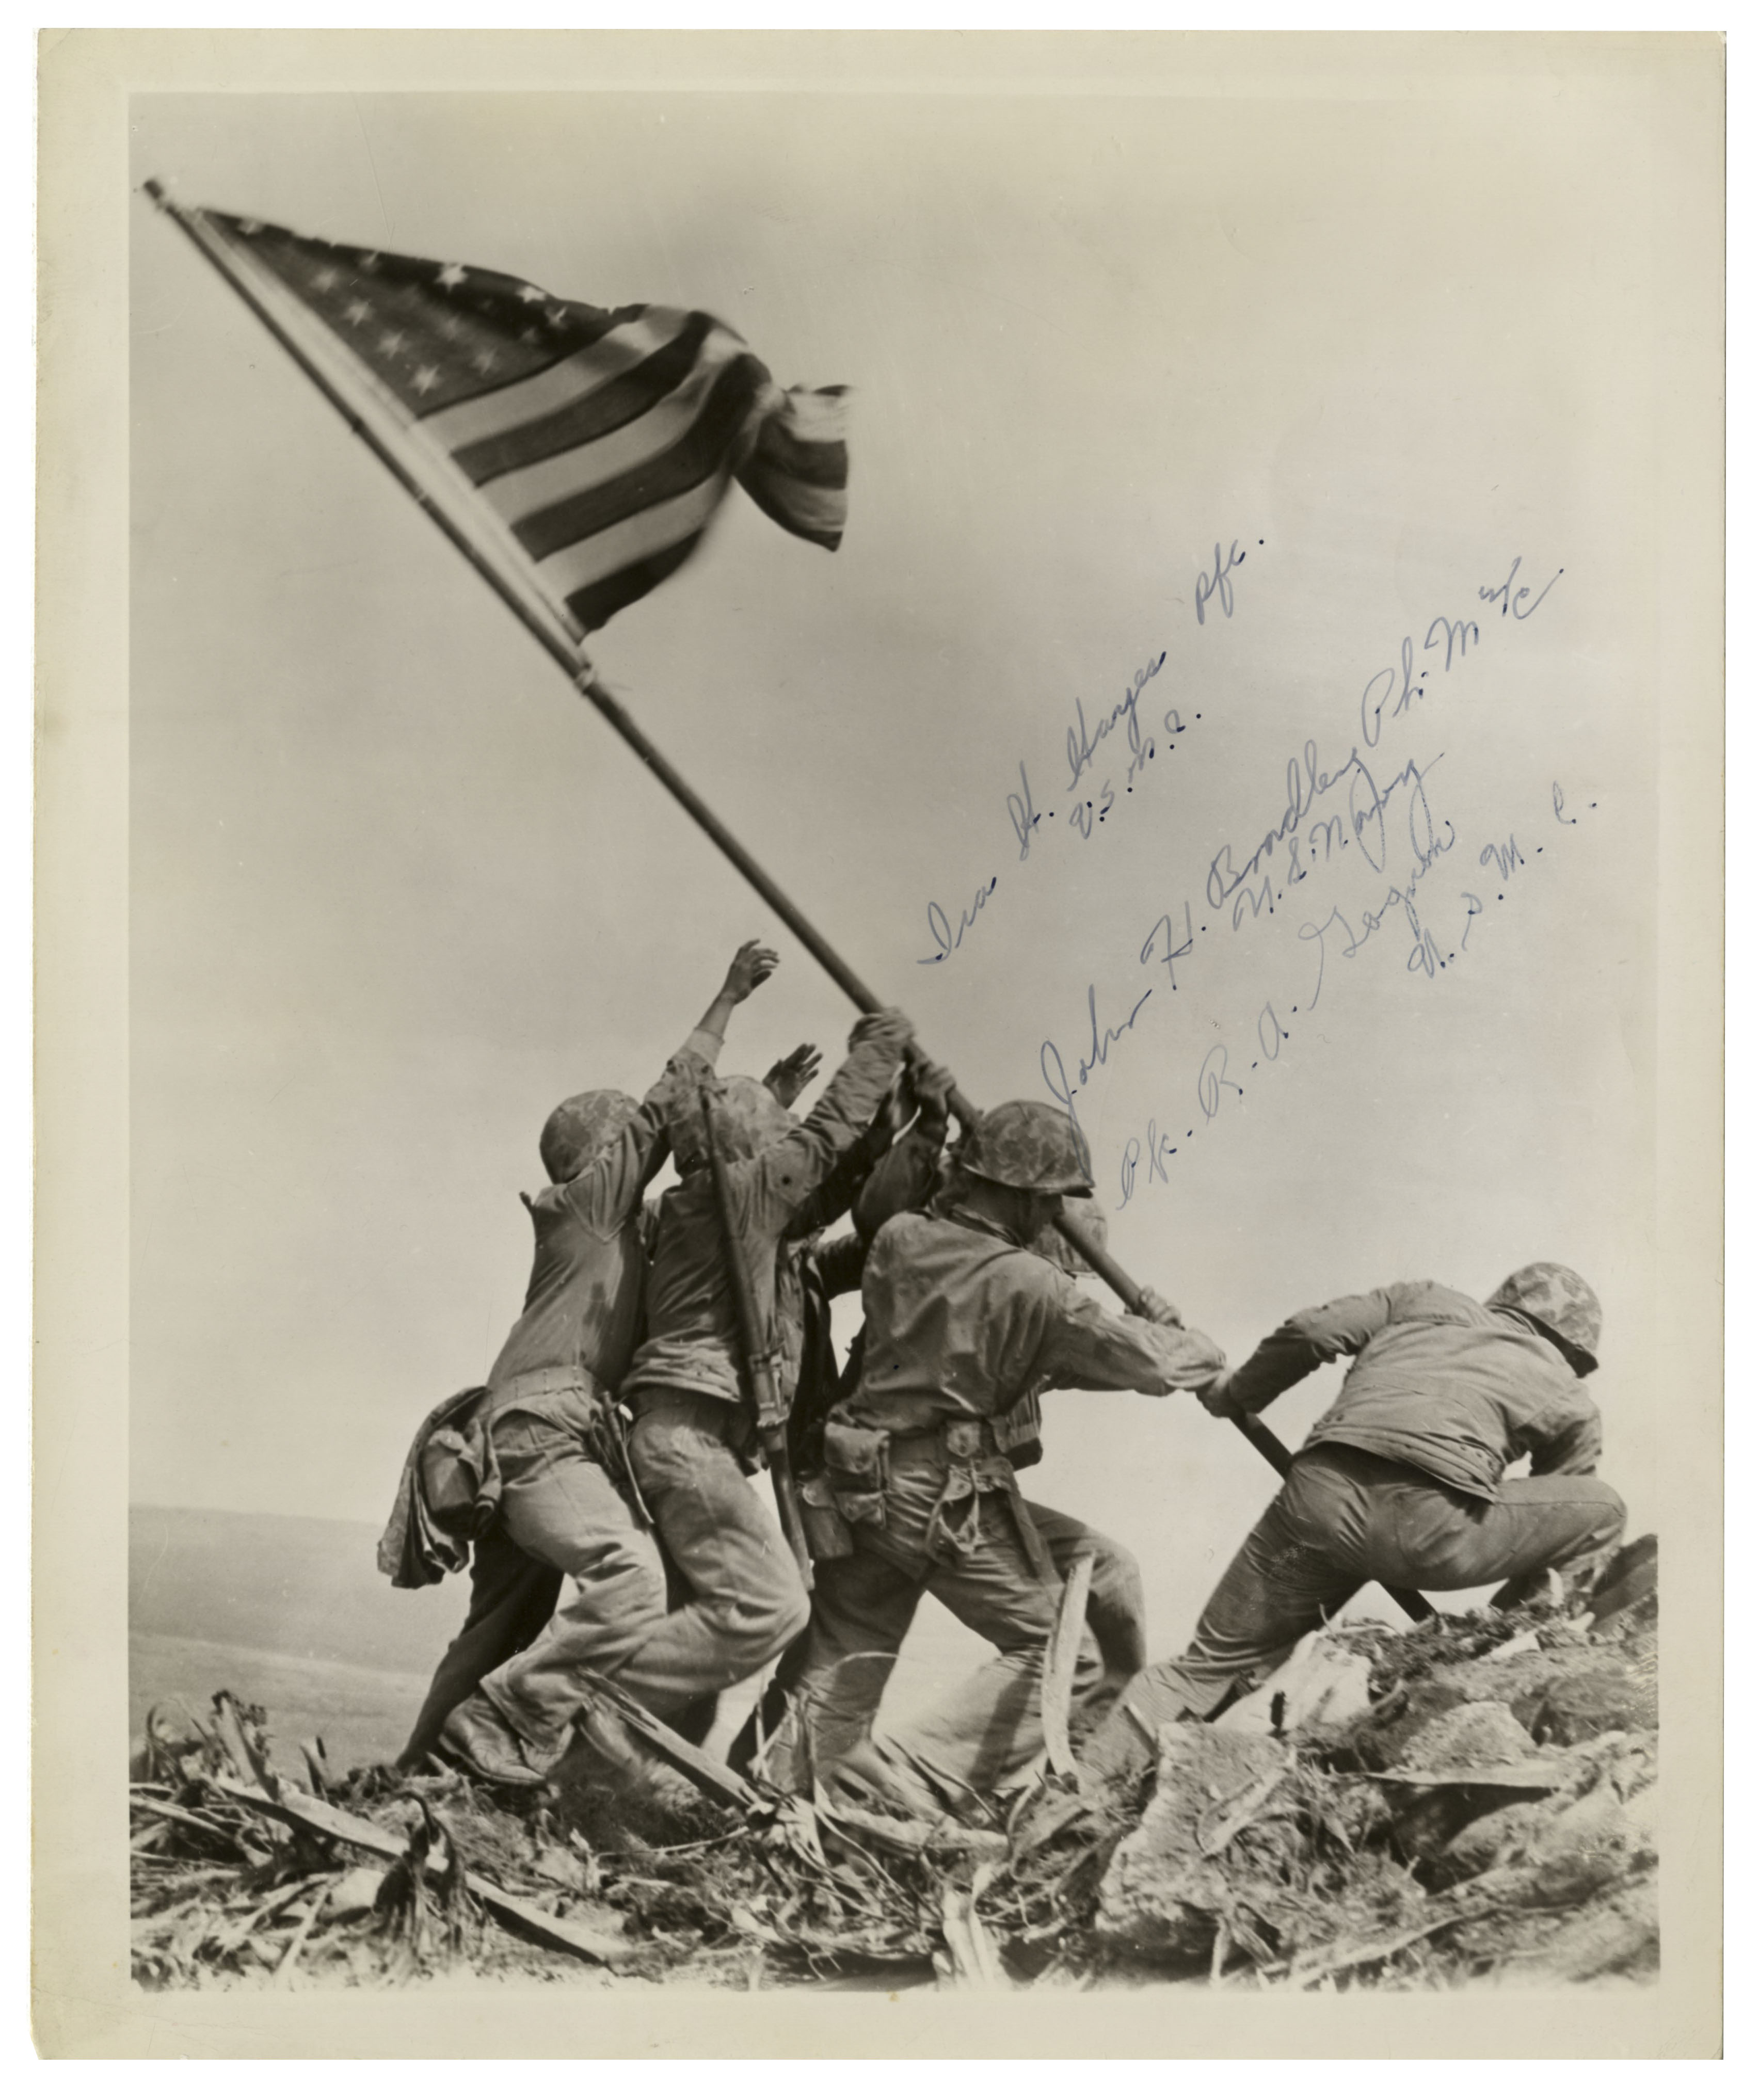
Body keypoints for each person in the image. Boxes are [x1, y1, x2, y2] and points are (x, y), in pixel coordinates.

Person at [763, 1101, 1227, 1816]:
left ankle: (777, 1788)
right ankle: (906, 1783)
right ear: (1020, 1193)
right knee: (1063, 1655)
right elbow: (1153, 1365)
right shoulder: (1036, 1287)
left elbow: (992, 1343)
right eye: (1048, 1201)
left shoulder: (903, 1238)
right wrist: (1186, 1339)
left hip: (860, 1480)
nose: (1052, 1216)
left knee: (850, 1641)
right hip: (939, 1491)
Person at [397, 940, 779, 1782]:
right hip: (543, 1433)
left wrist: (767, 1107)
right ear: (597, 1155)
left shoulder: (618, 1236)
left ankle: (416, 1774)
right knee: (630, 1574)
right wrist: (726, 997)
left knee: (499, 1627)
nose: (645, 1155)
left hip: (524, 1439)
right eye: (627, 1147)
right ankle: (513, 1727)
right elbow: (666, 1101)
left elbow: (716, 1174)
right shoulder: (586, 1206)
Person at [1083, 1261, 1626, 1778]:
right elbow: (1552, 1538)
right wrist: (1492, 1629)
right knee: (1603, 1509)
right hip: (1428, 1531)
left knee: (1203, 1666)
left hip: (1313, 1508)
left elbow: (1311, 1332)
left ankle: (1074, 1788)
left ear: (1505, 1300)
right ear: (1573, 1350)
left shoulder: (1424, 1299)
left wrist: (1238, 1392)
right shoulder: (1572, 1396)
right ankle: (1496, 1654)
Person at [563, 1005, 917, 1764]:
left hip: (687, 1440)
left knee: (707, 1639)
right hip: (685, 1440)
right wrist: (879, 1049)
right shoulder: (736, 1197)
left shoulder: (725, 1214)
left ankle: (608, 1774)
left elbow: (833, 1191)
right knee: (771, 1604)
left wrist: (896, 1126)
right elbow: (823, 1142)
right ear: (751, 1150)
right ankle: (591, 1705)